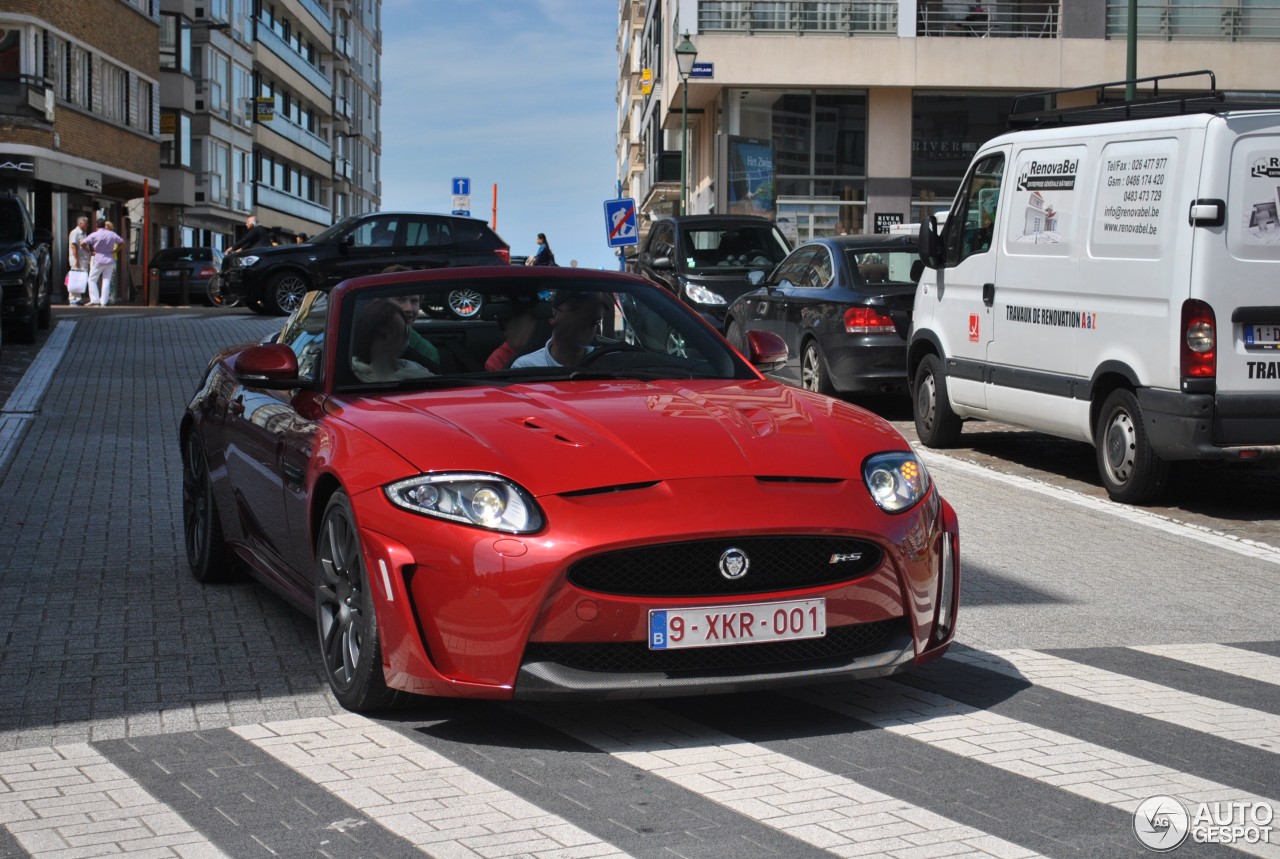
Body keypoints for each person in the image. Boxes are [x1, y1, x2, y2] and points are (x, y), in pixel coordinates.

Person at [511, 291, 607, 368]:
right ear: (553, 315)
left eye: (594, 321)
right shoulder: (526, 367)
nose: (584, 326)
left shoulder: (606, 364)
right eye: (576, 314)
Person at [350, 298, 434, 382]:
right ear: (366, 334)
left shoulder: (421, 363)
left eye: (400, 333)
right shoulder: (349, 376)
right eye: (400, 299)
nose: (409, 308)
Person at [380, 265, 442, 370]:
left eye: (414, 301)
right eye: (400, 300)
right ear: (381, 302)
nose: (408, 308)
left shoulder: (426, 351)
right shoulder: (356, 340)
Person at [80, 218, 123, 307]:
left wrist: (89, 251)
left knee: (92, 279)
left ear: (96, 226)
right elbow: (122, 242)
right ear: (104, 225)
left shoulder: (94, 235)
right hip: (109, 259)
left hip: (98, 259)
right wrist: (115, 251)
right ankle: (104, 301)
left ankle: (95, 299)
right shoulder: (112, 234)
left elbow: (82, 243)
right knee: (106, 280)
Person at [67, 215, 90, 305]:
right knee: (75, 278)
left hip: (83, 259)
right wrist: (76, 259)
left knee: (81, 279)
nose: (87, 226)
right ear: (80, 223)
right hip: (77, 259)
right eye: (85, 224)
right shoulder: (75, 232)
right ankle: (73, 298)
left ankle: (78, 297)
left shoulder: (83, 233)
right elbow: (74, 246)